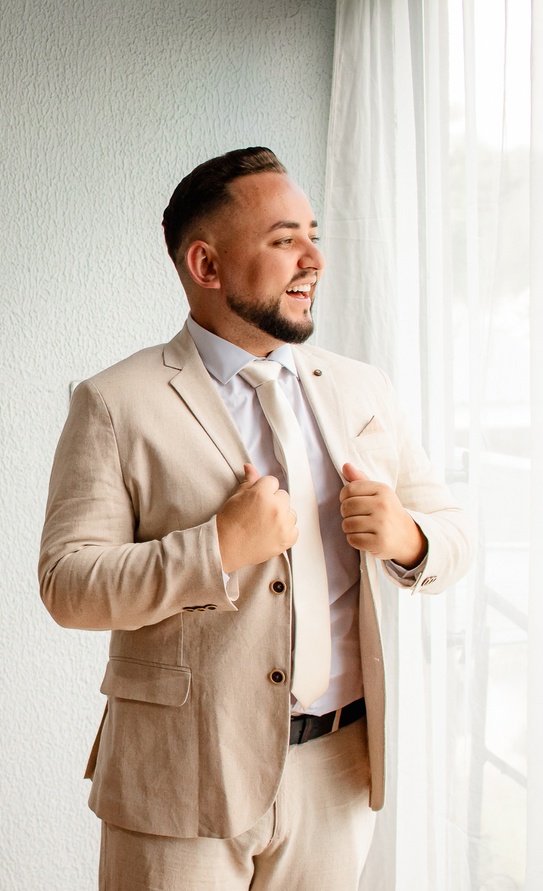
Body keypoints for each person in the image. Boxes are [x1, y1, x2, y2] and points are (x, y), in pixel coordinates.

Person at [37, 147, 473, 890]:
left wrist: (410, 537)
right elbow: (68, 584)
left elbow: (452, 529)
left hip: (338, 769)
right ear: (206, 265)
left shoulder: (363, 388)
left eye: (314, 236)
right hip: (179, 774)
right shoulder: (114, 402)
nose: (314, 260)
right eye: (284, 240)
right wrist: (217, 547)